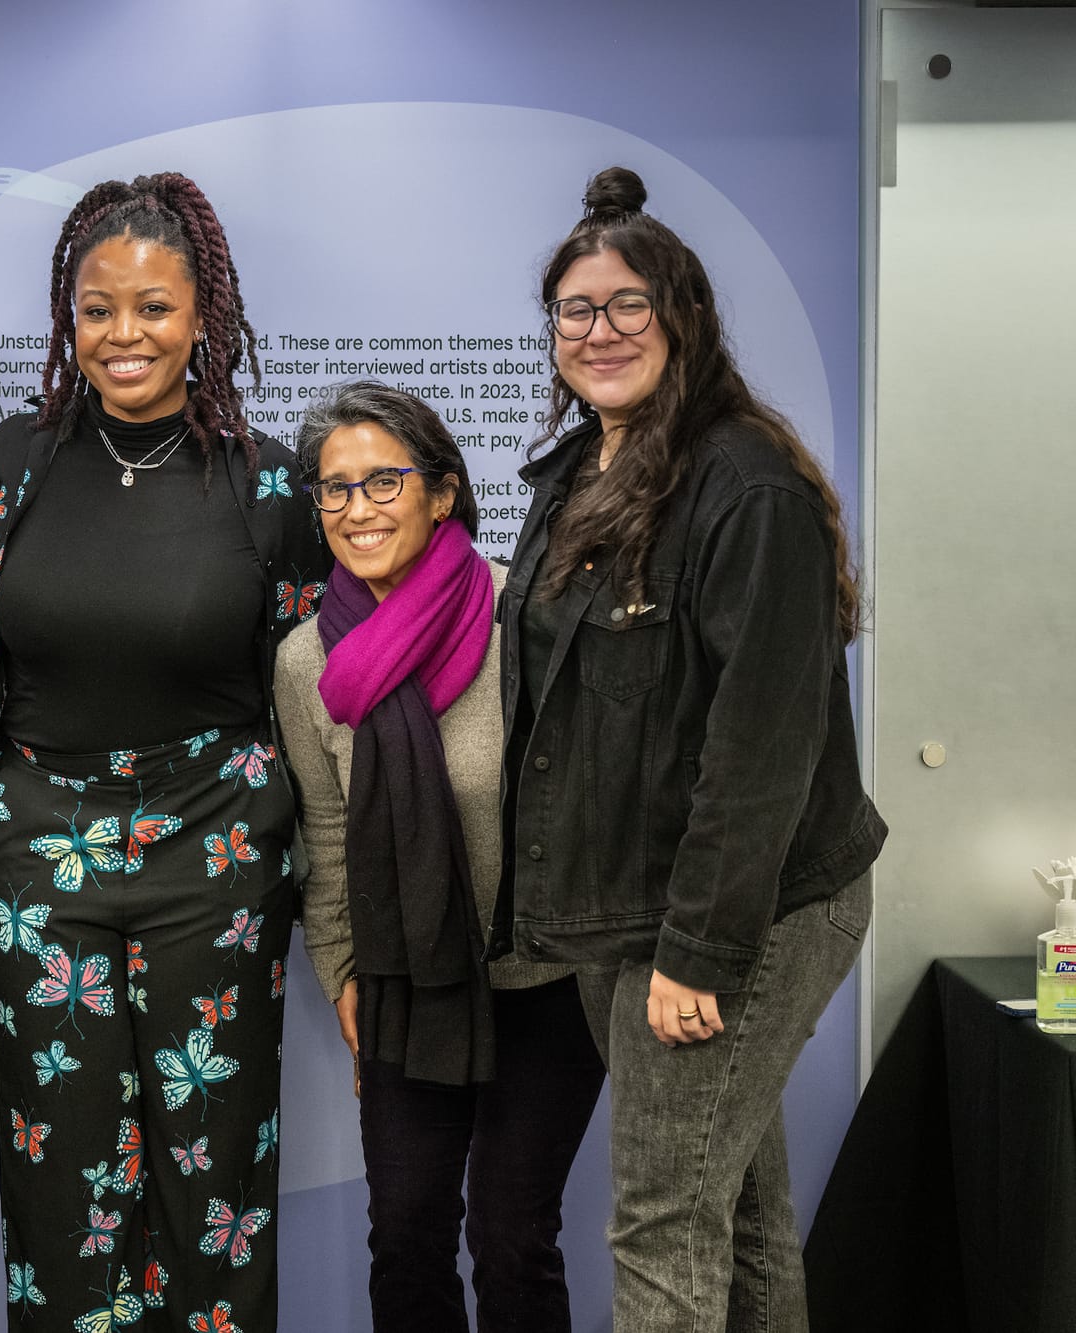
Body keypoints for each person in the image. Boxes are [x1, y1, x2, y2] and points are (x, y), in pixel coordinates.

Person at [493, 166, 887, 1331]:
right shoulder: (577, 472)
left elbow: (760, 751)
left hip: (744, 910)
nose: (599, 331)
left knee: (660, 1218)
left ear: (683, 318)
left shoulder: (744, 486)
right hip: (633, 901)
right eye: (575, 308)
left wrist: (699, 955)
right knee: (739, 1210)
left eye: (628, 306)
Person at [0, 172, 328, 1332]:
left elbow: (307, 675)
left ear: (201, 318)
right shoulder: (10, 461)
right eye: (94, 309)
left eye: (153, 308)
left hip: (213, 845)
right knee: (62, 1164)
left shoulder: (267, 481)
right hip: (40, 855)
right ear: (66, 320)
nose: (122, 335)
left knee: (210, 1160)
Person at [274, 381, 605, 1332]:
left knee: (513, 1237)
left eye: (384, 481)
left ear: (444, 492)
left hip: (545, 982)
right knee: (408, 1235)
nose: (356, 509)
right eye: (334, 490)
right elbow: (327, 832)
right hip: (404, 984)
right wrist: (342, 966)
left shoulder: (523, 618)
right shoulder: (308, 661)